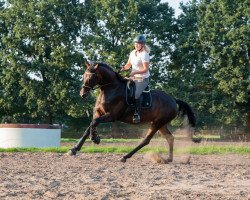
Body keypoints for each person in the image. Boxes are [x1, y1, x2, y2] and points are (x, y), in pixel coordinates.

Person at [121, 34, 150, 123]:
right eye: (135, 43)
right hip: (133, 78)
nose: (136, 45)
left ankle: (137, 113)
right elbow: (128, 64)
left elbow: (145, 69)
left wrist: (135, 72)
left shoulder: (145, 54)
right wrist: (123, 68)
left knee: (136, 94)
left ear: (142, 45)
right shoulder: (133, 53)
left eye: (138, 44)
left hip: (143, 79)